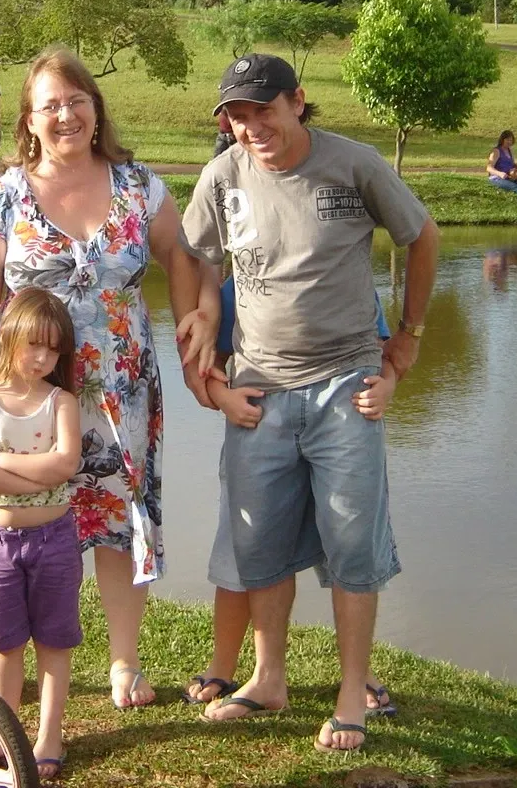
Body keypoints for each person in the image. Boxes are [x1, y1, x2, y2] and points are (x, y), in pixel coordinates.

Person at [0, 45, 211, 711]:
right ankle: (11, 664)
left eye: (77, 100)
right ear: (27, 120)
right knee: (24, 525)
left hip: (123, 393)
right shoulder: (2, 200)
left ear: (96, 108)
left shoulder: (140, 186)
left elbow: (180, 254)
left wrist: (194, 316)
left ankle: (124, 664)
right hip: (27, 397)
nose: (66, 115)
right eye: (50, 105)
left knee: (118, 524)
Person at [176, 52, 439, 753]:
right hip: (259, 386)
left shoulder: (354, 165)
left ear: (298, 101)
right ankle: (267, 679)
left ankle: (353, 693)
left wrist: (407, 338)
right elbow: (198, 257)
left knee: (353, 544)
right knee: (259, 544)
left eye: (262, 108)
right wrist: (206, 338)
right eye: (236, 113)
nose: (250, 125)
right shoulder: (222, 175)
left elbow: (422, 236)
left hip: (345, 386)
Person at [184, 279, 398, 713]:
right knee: (242, 550)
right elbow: (208, 368)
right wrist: (224, 396)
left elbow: (382, 355)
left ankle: (358, 675)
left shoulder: (343, 272)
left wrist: (388, 384)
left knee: (347, 546)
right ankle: (233, 667)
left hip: (337, 434)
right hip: (260, 439)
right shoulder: (233, 288)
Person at [0, 287, 83, 780]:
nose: (42, 357)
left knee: (55, 639)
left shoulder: (62, 401)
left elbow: (66, 465)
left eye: (52, 349)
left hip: (55, 537)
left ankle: (50, 735)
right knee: (2, 644)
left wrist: (2, 460)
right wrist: (36, 468)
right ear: (8, 337)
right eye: (34, 344)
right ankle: (1, 731)